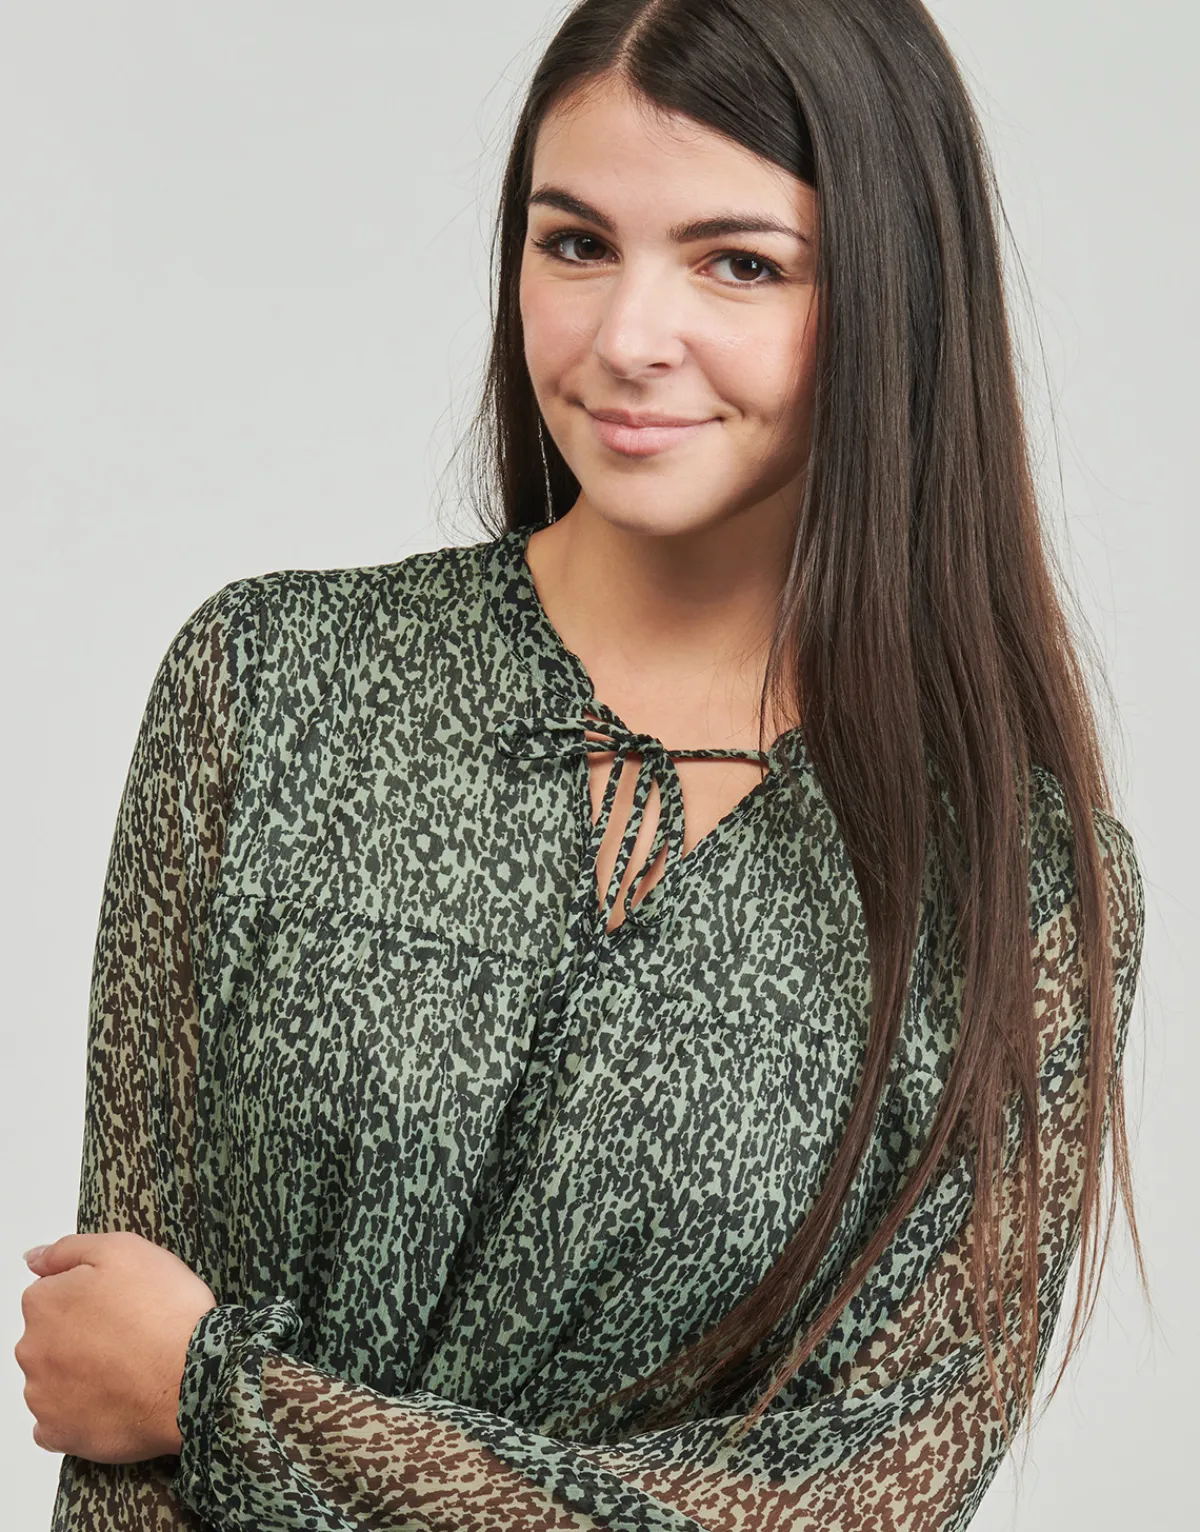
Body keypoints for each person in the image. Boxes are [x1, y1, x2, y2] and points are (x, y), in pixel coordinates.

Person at [19, 1, 1147, 1528]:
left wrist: (227, 1404)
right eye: (575, 244)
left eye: (739, 263)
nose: (626, 338)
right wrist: (167, 1399)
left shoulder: (1018, 890)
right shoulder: (267, 685)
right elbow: (112, 1385)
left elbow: (854, 1506)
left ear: (896, 294)